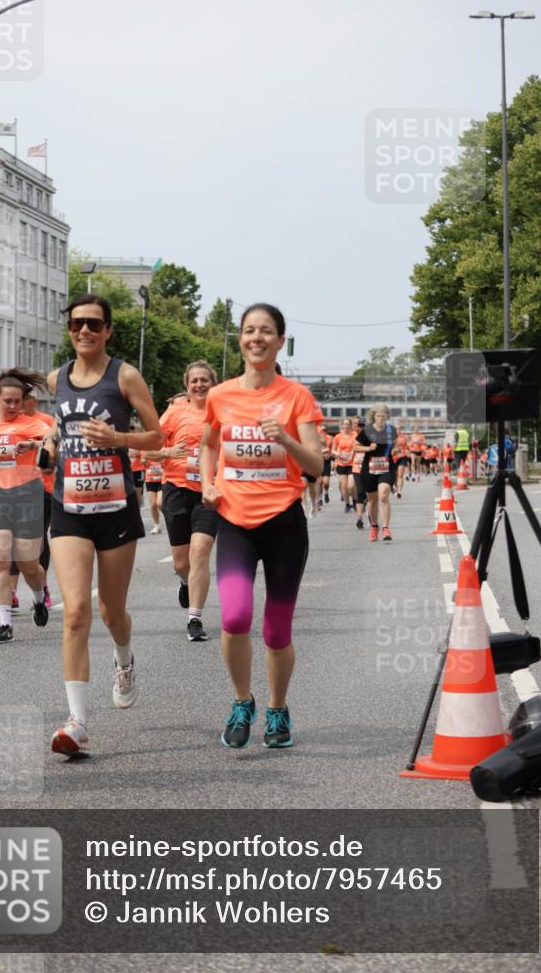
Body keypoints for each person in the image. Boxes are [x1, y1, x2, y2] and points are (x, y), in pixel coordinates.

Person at [45, 294, 163, 757]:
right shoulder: (57, 378)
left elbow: (157, 436)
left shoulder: (125, 376)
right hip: (68, 506)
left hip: (114, 508)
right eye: (77, 324)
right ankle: (77, 722)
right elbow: (59, 428)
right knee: (75, 612)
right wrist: (50, 444)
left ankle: (124, 658)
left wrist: (118, 438)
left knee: (112, 611)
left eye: (94, 323)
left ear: (108, 330)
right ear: (70, 330)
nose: (85, 331)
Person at [200, 304, 323, 750]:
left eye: (266, 331)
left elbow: (316, 464)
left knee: (276, 631)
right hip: (234, 521)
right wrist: (208, 482)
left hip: (284, 524)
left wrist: (285, 438)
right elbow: (208, 444)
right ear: (240, 340)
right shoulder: (220, 395)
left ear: (280, 340)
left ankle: (277, 709)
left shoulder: (297, 397)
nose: (257, 338)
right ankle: (241, 701)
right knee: (233, 617)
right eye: (249, 331)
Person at [0, 368, 51, 644]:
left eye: (17, 401)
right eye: (7, 401)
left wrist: (32, 444)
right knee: (0, 561)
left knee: (28, 565)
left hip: (27, 497)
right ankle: (4, 624)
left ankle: (39, 597)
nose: (12, 406)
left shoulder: (32, 424)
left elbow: (55, 441)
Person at [148, 361, 220, 642]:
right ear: (187, 386)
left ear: (213, 383)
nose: (200, 385)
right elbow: (149, 449)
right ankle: (184, 581)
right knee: (182, 563)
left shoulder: (223, 413)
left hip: (209, 493)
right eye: (195, 381)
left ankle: (195, 618)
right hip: (176, 489)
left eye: (205, 380)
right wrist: (167, 451)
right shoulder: (175, 412)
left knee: (200, 551)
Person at [9, 387, 54, 611]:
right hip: (10, 489)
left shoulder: (45, 421)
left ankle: (42, 585)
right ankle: (11, 592)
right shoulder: (7, 423)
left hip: (42, 488)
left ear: (32, 400)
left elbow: (54, 447)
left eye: (22, 400)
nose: (17, 404)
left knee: (37, 541)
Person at [355, 403, 397, 543]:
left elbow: (395, 445)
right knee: (372, 501)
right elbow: (355, 447)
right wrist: (368, 448)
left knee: (384, 494)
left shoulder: (391, 430)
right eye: (378, 416)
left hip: (386, 466)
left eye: (383, 415)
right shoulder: (366, 431)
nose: (380, 418)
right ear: (373, 416)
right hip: (369, 468)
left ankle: (386, 528)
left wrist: (396, 450)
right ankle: (374, 527)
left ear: (387, 416)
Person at [331, 418, 356, 513]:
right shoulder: (338, 437)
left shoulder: (355, 435)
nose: (346, 426)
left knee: (351, 486)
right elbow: (332, 450)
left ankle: (354, 500)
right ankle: (347, 504)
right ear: (342, 426)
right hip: (341, 464)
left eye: (347, 424)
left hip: (352, 463)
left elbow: (356, 447)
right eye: (344, 424)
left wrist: (351, 455)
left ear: (350, 425)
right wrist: (337, 454)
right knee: (344, 487)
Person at [142, 452, 164, 533]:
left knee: (159, 503)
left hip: (162, 479)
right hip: (150, 479)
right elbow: (142, 460)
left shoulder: (163, 447)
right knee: (153, 505)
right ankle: (157, 525)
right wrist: (144, 460)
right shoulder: (146, 448)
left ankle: (170, 518)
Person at [392, 425, 409, 499]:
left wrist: (407, 451)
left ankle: (399, 491)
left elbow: (408, 447)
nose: (397, 430)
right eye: (396, 429)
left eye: (399, 428)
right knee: (394, 475)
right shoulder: (390, 437)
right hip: (392, 458)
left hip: (402, 457)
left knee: (400, 475)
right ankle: (395, 487)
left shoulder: (404, 437)